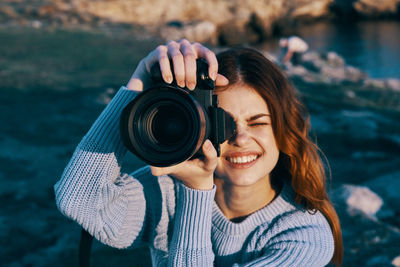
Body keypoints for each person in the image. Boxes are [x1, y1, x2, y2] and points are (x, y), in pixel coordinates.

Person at [54, 39, 343, 266]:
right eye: (224, 124)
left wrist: (196, 193)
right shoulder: (167, 191)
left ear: (283, 131)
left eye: (258, 123)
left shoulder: (304, 235)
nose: (241, 138)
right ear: (199, 125)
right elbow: (79, 198)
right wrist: (141, 80)